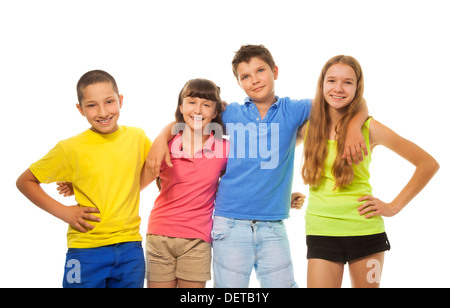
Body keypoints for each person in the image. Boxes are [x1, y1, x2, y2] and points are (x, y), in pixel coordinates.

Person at [147, 45, 369, 288]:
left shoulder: (294, 109)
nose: (254, 80)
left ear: (275, 71)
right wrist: (161, 137)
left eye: (260, 70)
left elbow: (347, 100)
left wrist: (356, 127)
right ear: (239, 82)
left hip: (273, 224)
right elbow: (193, 115)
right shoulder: (229, 112)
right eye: (245, 76)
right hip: (229, 223)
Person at [297, 55, 439, 288]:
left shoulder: (370, 128)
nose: (338, 88)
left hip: (365, 231)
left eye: (348, 82)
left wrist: (394, 207)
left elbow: (428, 164)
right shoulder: (307, 128)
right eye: (331, 80)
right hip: (321, 231)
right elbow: (276, 159)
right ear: (322, 84)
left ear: (357, 87)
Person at [16, 70, 151, 288]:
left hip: (130, 248)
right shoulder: (69, 148)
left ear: (121, 100)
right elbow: (25, 181)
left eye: (109, 102)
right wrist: (64, 212)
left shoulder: (137, 137)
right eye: (92, 105)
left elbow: (150, 171)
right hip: (86, 250)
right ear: (80, 109)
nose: (103, 112)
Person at [140, 78, 229, 288]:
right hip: (160, 235)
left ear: (215, 112)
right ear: (181, 107)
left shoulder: (224, 149)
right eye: (191, 102)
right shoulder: (165, 145)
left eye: (206, 104)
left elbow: (244, 182)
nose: (198, 110)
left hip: (198, 240)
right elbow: (135, 186)